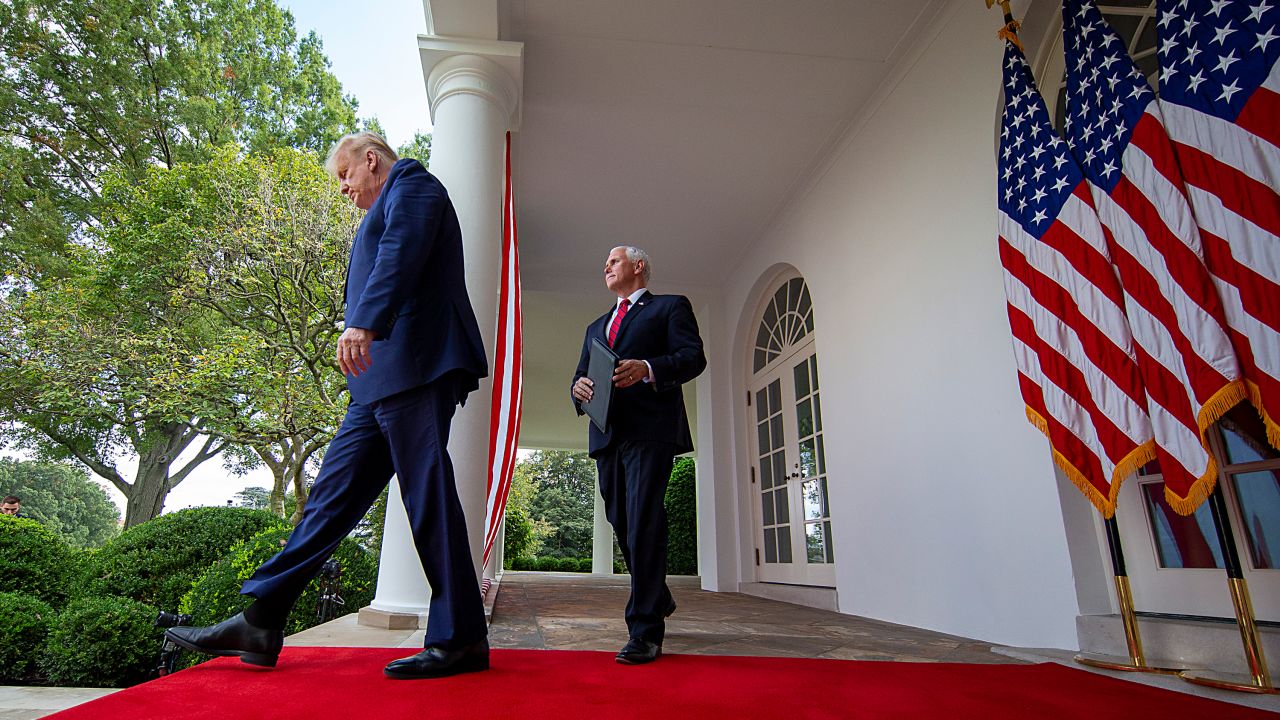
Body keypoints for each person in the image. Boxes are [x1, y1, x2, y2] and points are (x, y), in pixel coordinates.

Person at [167, 132, 491, 680]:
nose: (342, 188)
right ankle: (262, 619)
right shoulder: (383, 203)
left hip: (414, 364)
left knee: (427, 498)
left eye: (345, 175)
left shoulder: (412, 184)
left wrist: (363, 321)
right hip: (378, 382)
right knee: (327, 503)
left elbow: (401, 252)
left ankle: (459, 638)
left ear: (371, 160)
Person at [570, 246, 706, 664]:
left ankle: (645, 630)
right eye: (605, 263)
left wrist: (648, 368)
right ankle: (658, 593)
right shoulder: (596, 325)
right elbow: (580, 375)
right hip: (608, 435)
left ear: (638, 266)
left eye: (613, 260)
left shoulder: (669, 307)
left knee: (644, 519)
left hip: (651, 431)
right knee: (622, 520)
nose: (606, 266)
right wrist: (576, 391)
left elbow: (692, 358)